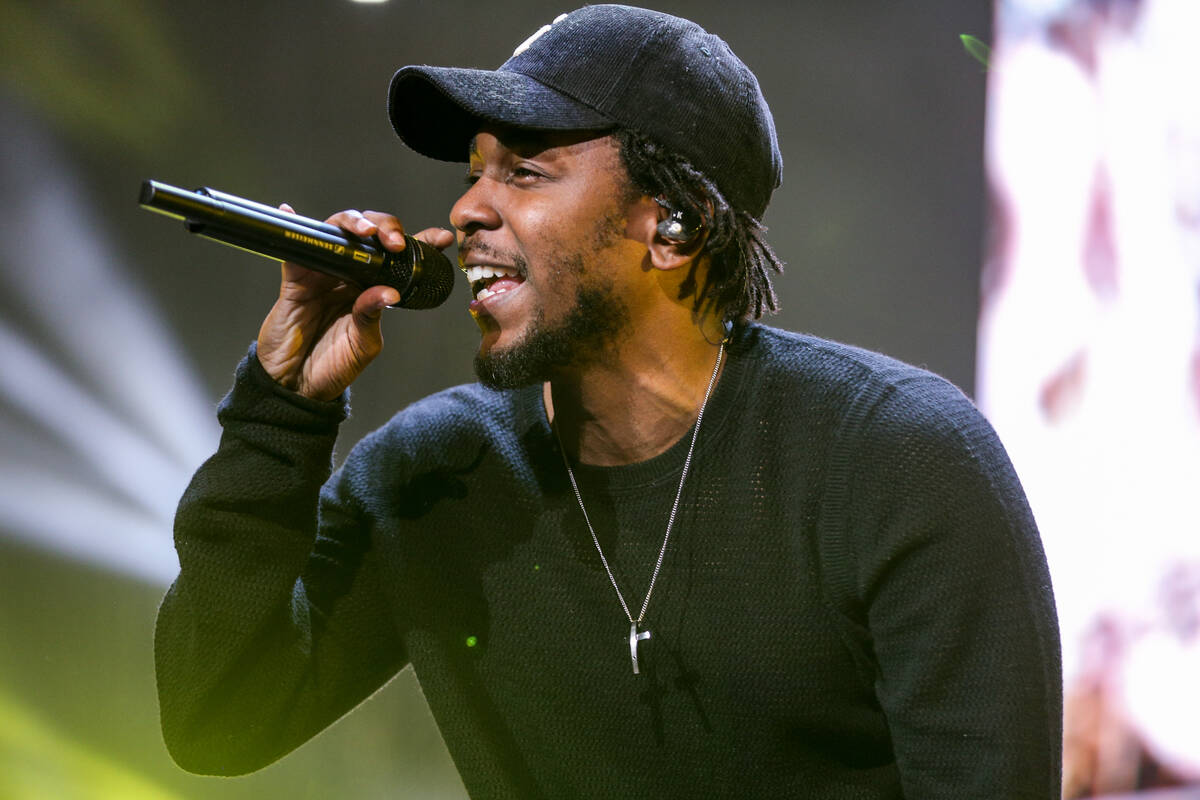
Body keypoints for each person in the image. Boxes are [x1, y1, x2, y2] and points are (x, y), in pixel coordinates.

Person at [154, 5, 1063, 798]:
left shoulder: (895, 460)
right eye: (473, 170)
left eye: (524, 171)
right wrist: (279, 416)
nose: (467, 208)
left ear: (675, 225)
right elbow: (217, 720)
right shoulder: (434, 475)